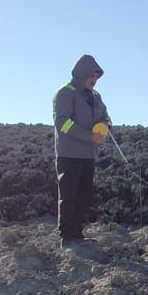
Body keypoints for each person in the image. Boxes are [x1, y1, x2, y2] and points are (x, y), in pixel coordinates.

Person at [52, 54, 111, 247]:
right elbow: (62, 122)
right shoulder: (65, 93)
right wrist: (89, 136)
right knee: (68, 195)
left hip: (88, 155)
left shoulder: (95, 97)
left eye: (96, 77)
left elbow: (106, 117)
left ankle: (77, 233)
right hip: (69, 154)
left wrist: (104, 126)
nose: (94, 81)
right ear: (81, 74)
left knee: (83, 196)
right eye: (91, 76)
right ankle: (67, 237)